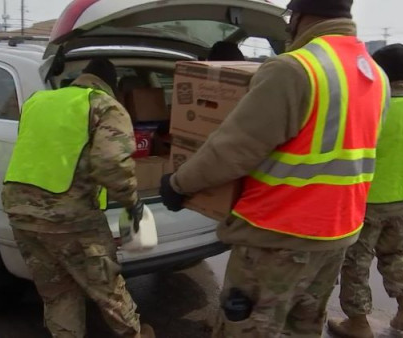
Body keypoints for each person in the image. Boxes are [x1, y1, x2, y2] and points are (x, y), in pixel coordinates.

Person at [159, 0, 390, 336]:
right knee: (302, 329)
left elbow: (234, 149)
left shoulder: (296, 68)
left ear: (300, 15)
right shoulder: (373, 73)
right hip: (336, 236)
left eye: (289, 17)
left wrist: (178, 184)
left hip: (278, 237)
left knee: (248, 329)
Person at [1, 57, 155, 338]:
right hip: (70, 217)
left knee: (57, 293)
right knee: (108, 289)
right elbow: (111, 163)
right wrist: (132, 203)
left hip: (20, 211)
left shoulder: (37, 101)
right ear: (112, 85)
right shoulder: (104, 105)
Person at [328, 44, 403, 338]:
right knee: (398, 253)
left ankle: (358, 323)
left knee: (356, 262)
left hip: (367, 201)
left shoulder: (367, 107)